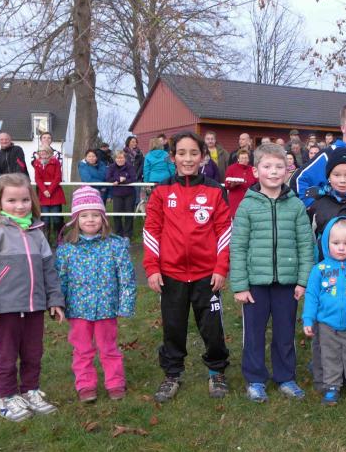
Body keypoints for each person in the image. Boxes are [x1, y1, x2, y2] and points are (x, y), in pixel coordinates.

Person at [0, 173, 64, 422]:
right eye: (12, 200)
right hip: (6, 308)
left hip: (35, 307)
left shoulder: (37, 232)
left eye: (25, 200)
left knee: (33, 353)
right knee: (7, 355)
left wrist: (55, 300)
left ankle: (30, 390)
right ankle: (7, 396)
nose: (20, 206)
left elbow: (49, 270)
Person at [144, 132, 232, 402]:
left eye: (194, 153)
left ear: (203, 156)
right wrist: (152, 268)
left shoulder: (215, 190)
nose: (188, 159)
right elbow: (151, 230)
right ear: (172, 157)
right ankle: (172, 374)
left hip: (207, 275)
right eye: (181, 153)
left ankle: (216, 371)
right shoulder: (161, 191)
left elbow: (224, 231)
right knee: (173, 327)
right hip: (171, 275)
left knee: (212, 328)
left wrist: (221, 268)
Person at [230, 143, 314, 403]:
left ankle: (285, 376)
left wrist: (302, 281)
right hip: (255, 283)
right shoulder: (247, 206)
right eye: (267, 166)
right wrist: (240, 285)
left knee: (285, 332)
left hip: (287, 283)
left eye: (279, 167)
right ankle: (255, 379)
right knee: (254, 333)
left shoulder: (296, 205)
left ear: (288, 171)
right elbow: (238, 246)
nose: (274, 172)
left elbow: (305, 244)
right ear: (256, 171)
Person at [55, 187, 136, 401]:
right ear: (76, 219)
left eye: (95, 215)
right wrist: (58, 305)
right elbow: (61, 279)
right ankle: (85, 385)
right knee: (82, 349)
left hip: (106, 308)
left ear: (103, 218)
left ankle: (115, 382)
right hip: (78, 309)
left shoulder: (115, 246)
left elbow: (126, 277)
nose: (90, 220)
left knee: (108, 347)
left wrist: (125, 304)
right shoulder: (67, 249)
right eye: (84, 215)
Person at [302, 217, 346, 406]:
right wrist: (308, 319)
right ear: (326, 242)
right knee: (329, 356)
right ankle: (332, 387)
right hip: (326, 324)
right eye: (336, 243)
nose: (341, 248)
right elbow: (311, 296)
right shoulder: (319, 269)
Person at [306, 147, 346, 258]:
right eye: (336, 175)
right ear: (329, 176)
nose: (342, 180)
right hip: (323, 266)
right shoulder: (317, 203)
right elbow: (308, 239)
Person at [32, 146, 66, 244]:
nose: (42, 153)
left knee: (56, 218)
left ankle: (59, 239)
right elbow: (37, 178)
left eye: (45, 151)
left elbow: (58, 177)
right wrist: (44, 190)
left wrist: (49, 190)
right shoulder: (37, 163)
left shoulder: (55, 162)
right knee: (45, 219)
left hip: (55, 193)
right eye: (40, 152)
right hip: (43, 194)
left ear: (49, 152)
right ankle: (45, 241)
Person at [106, 151, 137, 240]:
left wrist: (123, 180)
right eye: (118, 158)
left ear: (125, 159)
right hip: (117, 194)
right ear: (115, 159)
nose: (120, 160)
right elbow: (108, 178)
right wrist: (118, 179)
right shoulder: (111, 167)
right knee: (117, 214)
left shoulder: (130, 166)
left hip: (129, 194)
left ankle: (128, 235)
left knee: (129, 214)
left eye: (122, 158)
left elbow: (133, 178)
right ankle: (119, 234)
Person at [224, 149, 256, 219]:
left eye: (246, 158)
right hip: (235, 199)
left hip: (250, 199)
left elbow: (257, 183)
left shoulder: (252, 169)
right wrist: (233, 184)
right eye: (242, 158)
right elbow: (227, 185)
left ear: (248, 159)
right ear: (238, 159)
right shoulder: (231, 168)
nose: (244, 160)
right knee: (237, 219)